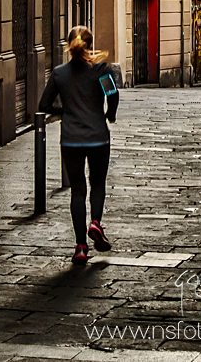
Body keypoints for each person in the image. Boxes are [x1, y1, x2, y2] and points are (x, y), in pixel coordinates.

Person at [37, 25, 120, 264]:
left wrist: (65, 111)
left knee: (77, 190)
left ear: (69, 46)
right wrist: (109, 114)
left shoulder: (59, 74)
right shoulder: (101, 70)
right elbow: (112, 94)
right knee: (97, 183)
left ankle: (81, 247)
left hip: (71, 139)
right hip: (98, 137)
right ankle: (95, 222)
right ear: (90, 45)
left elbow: (43, 106)